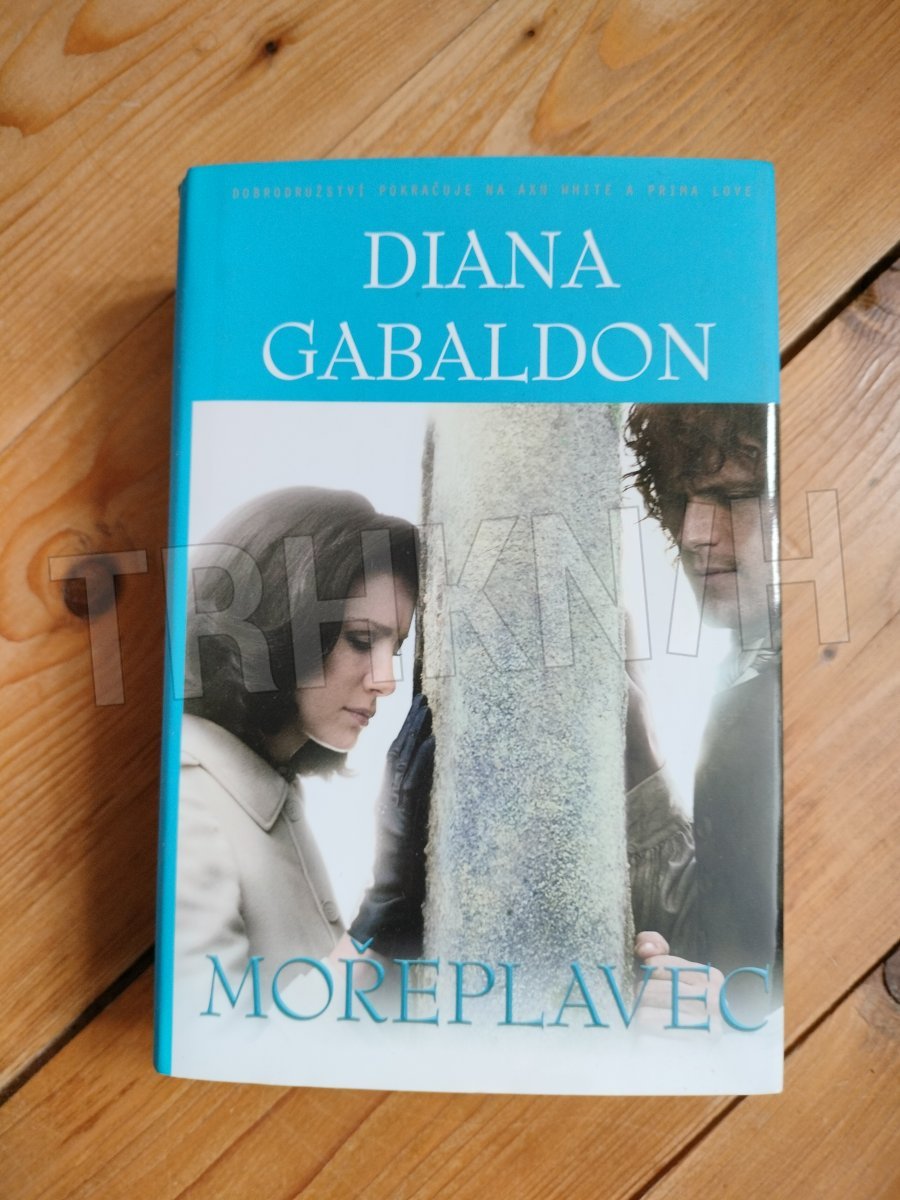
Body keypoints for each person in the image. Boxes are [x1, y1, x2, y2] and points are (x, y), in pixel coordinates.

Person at [174, 487, 418, 1007]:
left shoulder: (273, 792)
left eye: (394, 648)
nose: (386, 680)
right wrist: (378, 920)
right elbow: (221, 1042)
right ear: (278, 625)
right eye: (361, 640)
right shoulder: (186, 801)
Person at [625, 402, 782, 1021]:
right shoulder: (743, 672)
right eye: (680, 500)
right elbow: (736, 934)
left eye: (735, 495)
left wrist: (741, 1019)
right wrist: (639, 755)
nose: (694, 532)